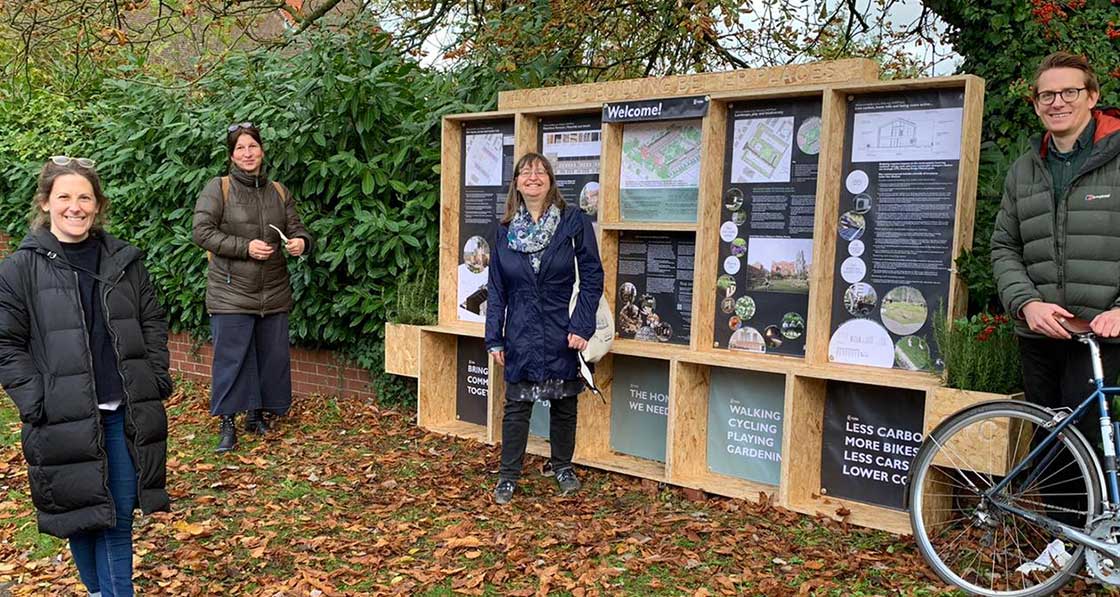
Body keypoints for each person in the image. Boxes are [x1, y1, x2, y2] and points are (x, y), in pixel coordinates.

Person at [0, 156, 172, 596]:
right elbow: (6, 343)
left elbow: (151, 320)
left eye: (84, 197)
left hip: (120, 414)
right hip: (61, 416)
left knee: (115, 518)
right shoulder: (19, 268)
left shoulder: (124, 261)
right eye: (64, 197)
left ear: (98, 205)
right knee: (79, 519)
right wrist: (36, 400)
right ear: (45, 203)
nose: (74, 206)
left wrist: (154, 376)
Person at [991, 51, 1120, 521]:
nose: (1057, 102)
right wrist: (1026, 305)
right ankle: (1067, 543)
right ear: (1036, 102)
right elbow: (1004, 247)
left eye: (1069, 92)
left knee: (1093, 436)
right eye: (1047, 94)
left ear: (1092, 96)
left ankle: (1101, 533)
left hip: (1105, 331)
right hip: (1041, 332)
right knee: (1052, 440)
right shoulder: (1024, 169)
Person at [485, 152, 603, 505]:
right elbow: (496, 289)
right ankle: (508, 476)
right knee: (517, 404)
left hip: (561, 325)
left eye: (540, 171)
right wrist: (494, 338)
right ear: (517, 183)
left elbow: (593, 277)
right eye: (525, 172)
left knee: (565, 400)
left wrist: (582, 325)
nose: (533, 177)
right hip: (520, 328)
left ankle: (562, 466)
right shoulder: (504, 231)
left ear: (551, 180)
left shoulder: (573, 223)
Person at [192, 123, 313, 452]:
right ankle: (227, 423)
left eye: (252, 147)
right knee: (232, 360)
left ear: (262, 150)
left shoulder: (278, 191)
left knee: (268, 358)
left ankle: (256, 414)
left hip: (273, 291)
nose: (247, 153)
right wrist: (245, 247)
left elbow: (297, 227)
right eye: (240, 148)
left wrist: (301, 242)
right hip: (231, 292)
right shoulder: (218, 189)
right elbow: (202, 232)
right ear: (231, 155)